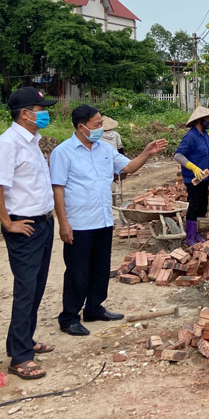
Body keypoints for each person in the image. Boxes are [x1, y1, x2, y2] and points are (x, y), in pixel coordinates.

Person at [50, 105, 168, 337]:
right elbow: (58, 189)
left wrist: (146, 152)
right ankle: (69, 316)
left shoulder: (104, 149)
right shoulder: (63, 153)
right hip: (79, 223)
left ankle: (94, 308)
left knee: (100, 269)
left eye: (101, 123)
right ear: (81, 127)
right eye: (97, 124)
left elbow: (128, 167)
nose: (101, 128)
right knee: (77, 271)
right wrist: (63, 223)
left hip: (103, 220)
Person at [0, 87, 58, 380]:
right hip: (23, 226)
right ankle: (20, 357)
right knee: (26, 289)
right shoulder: (8, 144)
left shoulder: (32, 142)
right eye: (41, 110)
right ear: (25, 114)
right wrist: (8, 223)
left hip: (42, 223)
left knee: (37, 286)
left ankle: (24, 340)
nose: (45, 114)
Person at [173, 106, 209, 246]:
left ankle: (198, 233)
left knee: (202, 206)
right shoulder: (191, 136)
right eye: (207, 119)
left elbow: (204, 152)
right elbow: (178, 155)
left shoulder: (204, 135)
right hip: (193, 179)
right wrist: (192, 167)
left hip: (204, 177)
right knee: (194, 206)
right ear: (200, 120)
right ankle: (190, 237)